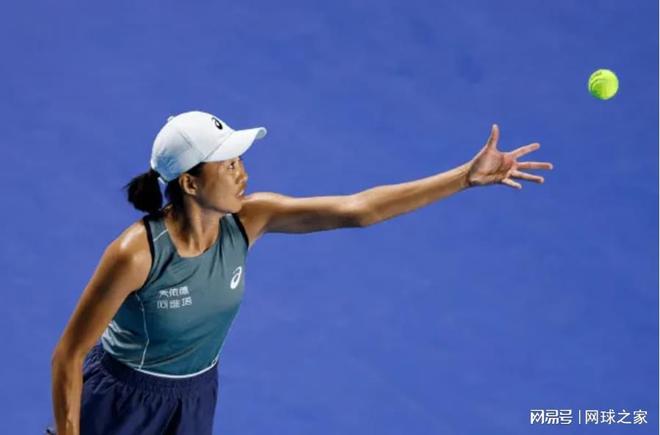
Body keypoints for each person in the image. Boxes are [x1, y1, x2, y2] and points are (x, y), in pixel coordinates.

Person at [50, 110, 553, 435]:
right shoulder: (136, 254)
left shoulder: (250, 219)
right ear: (190, 183)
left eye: (240, 161)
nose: (244, 173)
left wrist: (464, 177)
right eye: (228, 166)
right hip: (123, 401)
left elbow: (359, 209)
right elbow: (69, 354)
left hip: (196, 394)